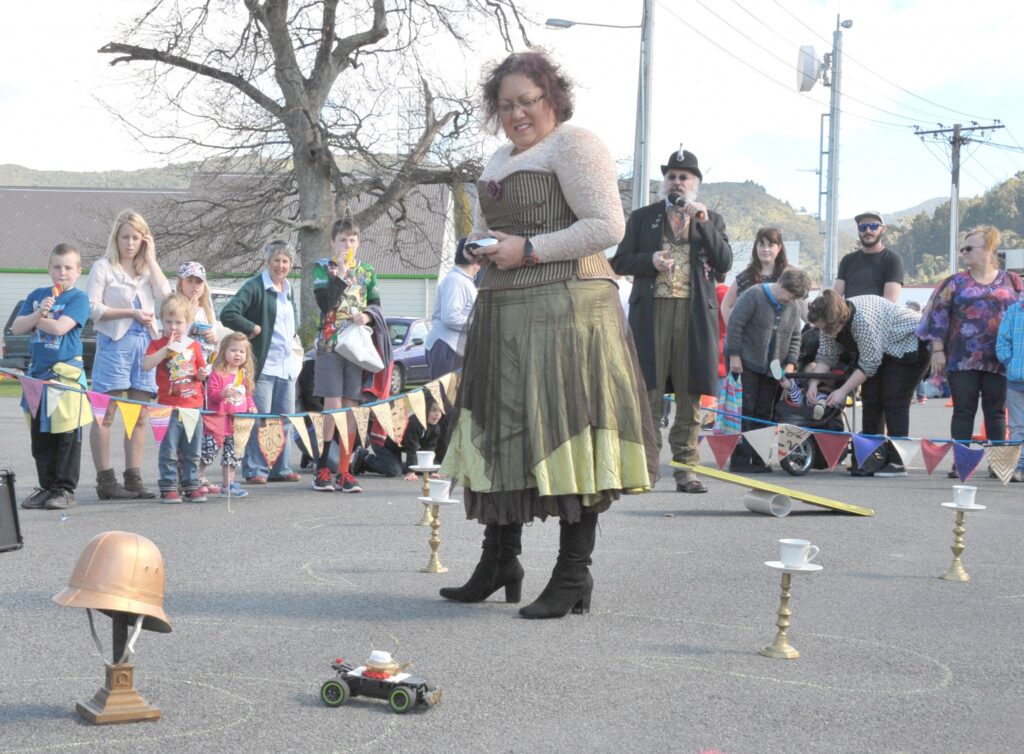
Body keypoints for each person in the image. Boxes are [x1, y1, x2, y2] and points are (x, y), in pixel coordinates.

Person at [439, 51, 656, 620]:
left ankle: (572, 575)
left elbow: (608, 227)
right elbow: (498, 229)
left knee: (568, 432)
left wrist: (528, 249)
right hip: (504, 311)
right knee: (505, 433)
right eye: (505, 104)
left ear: (551, 99)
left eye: (526, 101)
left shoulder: (575, 143)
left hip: (568, 310)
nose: (516, 114)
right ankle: (499, 560)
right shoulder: (498, 156)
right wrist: (480, 243)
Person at [612, 147, 733, 494]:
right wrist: (649, 260)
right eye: (671, 177)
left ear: (695, 184)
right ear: (664, 182)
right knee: (648, 392)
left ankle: (686, 470)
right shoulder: (642, 217)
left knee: (689, 395)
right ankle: (645, 470)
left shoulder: (712, 219)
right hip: (652, 314)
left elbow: (723, 262)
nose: (677, 182)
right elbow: (619, 262)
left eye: (684, 177)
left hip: (694, 316)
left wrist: (703, 222)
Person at [918, 225, 1021, 477]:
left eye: (969, 248)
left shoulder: (1012, 281)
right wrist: (938, 350)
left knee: (996, 412)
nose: (964, 253)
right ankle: (961, 462)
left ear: (988, 248)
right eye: (962, 248)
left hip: (1001, 358)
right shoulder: (955, 282)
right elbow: (938, 315)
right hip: (962, 358)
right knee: (963, 410)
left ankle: (998, 465)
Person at [86, 209, 171, 500]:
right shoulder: (103, 267)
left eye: (136, 237)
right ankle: (105, 481)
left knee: (139, 416)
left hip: (145, 342)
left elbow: (165, 294)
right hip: (115, 341)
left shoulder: (147, 269)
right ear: (116, 238)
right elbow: (93, 308)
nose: (130, 242)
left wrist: (152, 258)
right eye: (125, 237)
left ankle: (133, 478)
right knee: (105, 414)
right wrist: (131, 312)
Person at [806, 291, 929, 477]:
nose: (821, 330)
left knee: (894, 400)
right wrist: (813, 383)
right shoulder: (828, 326)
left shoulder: (862, 320)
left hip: (910, 344)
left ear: (833, 321)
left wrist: (842, 391)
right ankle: (871, 457)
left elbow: (868, 364)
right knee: (870, 398)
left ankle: (898, 462)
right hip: (884, 350)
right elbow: (825, 355)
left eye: (822, 327)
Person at [310, 219, 390, 493]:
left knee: (351, 407)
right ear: (333, 242)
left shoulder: (367, 271)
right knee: (333, 406)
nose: (347, 245)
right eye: (342, 240)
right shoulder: (323, 267)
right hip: (330, 344)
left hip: (356, 346)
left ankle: (344, 470)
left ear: (359, 242)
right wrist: (342, 275)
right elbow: (324, 303)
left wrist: (367, 315)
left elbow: (376, 304)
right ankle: (321, 467)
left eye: (352, 240)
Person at [13, 243, 93, 511]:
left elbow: (60, 328)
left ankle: (65, 488)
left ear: (78, 271)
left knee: (66, 435)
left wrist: (36, 320)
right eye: (57, 267)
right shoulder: (37, 295)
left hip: (65, 377)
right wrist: (38, 312)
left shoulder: (78, 299)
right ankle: (47, 486)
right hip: (37, 377)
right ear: (49, 269)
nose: (62, 272)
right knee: (41, 437)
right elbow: (16, 327)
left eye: (68, 268)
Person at [220, 239, 303, 484]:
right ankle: (255, 469)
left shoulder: (288, 290)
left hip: (286, 365)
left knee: (284, 418)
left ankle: (280, 467)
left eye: (285, 261)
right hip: (263, 364)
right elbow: (228, 313)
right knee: (260, 418)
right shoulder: (255, 286)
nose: (281, 265)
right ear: (267, 262)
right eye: (276, 260)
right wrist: (253, 329)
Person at [724, 268, 811, 472]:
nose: (791, 301)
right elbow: (735, 325)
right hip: (747, 363)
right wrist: (734, 355)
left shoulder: (793, 305)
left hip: (774, 370)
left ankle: (760, 458)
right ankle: (741, 460)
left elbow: (795, 336)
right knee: (746, 410)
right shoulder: (754, 294)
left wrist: (791, 362)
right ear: (781, 285)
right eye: (790, 296)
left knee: (765, 413)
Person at [142, 293, 211, 502]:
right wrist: (166, 349)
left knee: (192, 450)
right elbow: (146, 364)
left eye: (179, 322)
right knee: (169, 450)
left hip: (192, 406)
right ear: (162, 321)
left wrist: (202, 374)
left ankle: (191, 484)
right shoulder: (157, 343)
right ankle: (169, 485)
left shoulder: (194, 346)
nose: (173, 327)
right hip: (168, 407)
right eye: (168, 322)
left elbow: (200, 370)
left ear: (188, 323)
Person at [202, 332, 257, 497]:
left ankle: (229, 484)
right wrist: (223, 393)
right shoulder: (218, 374)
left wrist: (252, 407)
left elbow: (248, 396)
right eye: (233, 350)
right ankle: (197, 478)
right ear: (224, 351)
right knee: (208, 452)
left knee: (232, 456)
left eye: (242, 351)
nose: (237, 354)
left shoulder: (244, 376)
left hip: (237, 424)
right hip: (217, 422)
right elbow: (211, 393)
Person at [425, 237, 480, 379]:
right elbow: (450, 317)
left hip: (454, 349)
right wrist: (479, 323)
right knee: (446, 399)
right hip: (447, 348)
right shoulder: (455, 281)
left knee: (455, 399)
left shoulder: (464, 281)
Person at [352, 400, 444, 480]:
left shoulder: (435, 429)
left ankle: (368, 465)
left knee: (406, 469)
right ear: (425, 410)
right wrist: (411, 472)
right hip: (384, 442)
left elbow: (429, 450)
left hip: (396, 447)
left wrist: (429, 471)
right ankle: (365, 458)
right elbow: (412, 448)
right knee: (394, 471)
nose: (437, 414)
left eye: (440, 411)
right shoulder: (414, 423)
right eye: (433, 410)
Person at [720, 227, 789, 322]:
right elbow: (726, 306)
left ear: (779, 248)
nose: (766, 249)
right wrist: (733, 330)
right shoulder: (744, 277)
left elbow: (803, 306)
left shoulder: (788, 276)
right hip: (751, 335)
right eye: (761, 245)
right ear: (756, 247)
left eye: (770, 245)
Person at [833, 211, 903, 302]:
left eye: (873, 226)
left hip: (878, 315)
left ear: (883, 229)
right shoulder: (848, 260)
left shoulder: (892, 260)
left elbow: (889, 302)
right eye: (863, 227)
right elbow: (836, 298)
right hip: (849, 315)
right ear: (858, 230)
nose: (868, 231)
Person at [996, 292, 1024, 482]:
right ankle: (1019, 466)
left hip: (1015, 376)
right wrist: (1011, 363)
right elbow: (1002, 341)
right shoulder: (1014, 311)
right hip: (1016, 378)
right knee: (1017, 427)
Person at [176, 261, 219, 365]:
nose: (194, 286)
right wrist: (190, 314)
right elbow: (175, 340)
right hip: (182, 363)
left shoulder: (206, 309)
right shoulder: (176, 306)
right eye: (189, 281)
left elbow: (214, 340)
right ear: (181, 283)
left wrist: (214, 338)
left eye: (199, 282)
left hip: (204, 363)